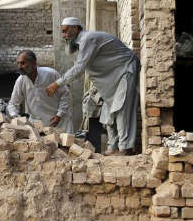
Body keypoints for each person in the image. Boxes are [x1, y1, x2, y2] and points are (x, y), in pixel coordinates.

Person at [46, 17, 140, 156]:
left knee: (121, 110)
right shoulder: (81, 44)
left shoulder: (87, 39)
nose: (64, 35)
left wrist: (57, 83)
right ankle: (112, 147)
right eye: (62, 32)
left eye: (65, 31)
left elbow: (79, 68)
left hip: (125, 71)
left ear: (76, 28)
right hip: (112, 78)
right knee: (108, 112)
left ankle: (125, 148)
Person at [7, 50, 74, 133]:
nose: (19, 66)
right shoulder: (20, 80)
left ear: (34, 64)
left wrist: (59, 115)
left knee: (66, 144)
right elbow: (13, 103)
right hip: (37, 124)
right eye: (18, 63)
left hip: (59, 121)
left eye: (23, 63)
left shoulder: (51, 74)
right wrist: (15, 117)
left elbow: (66, 95)